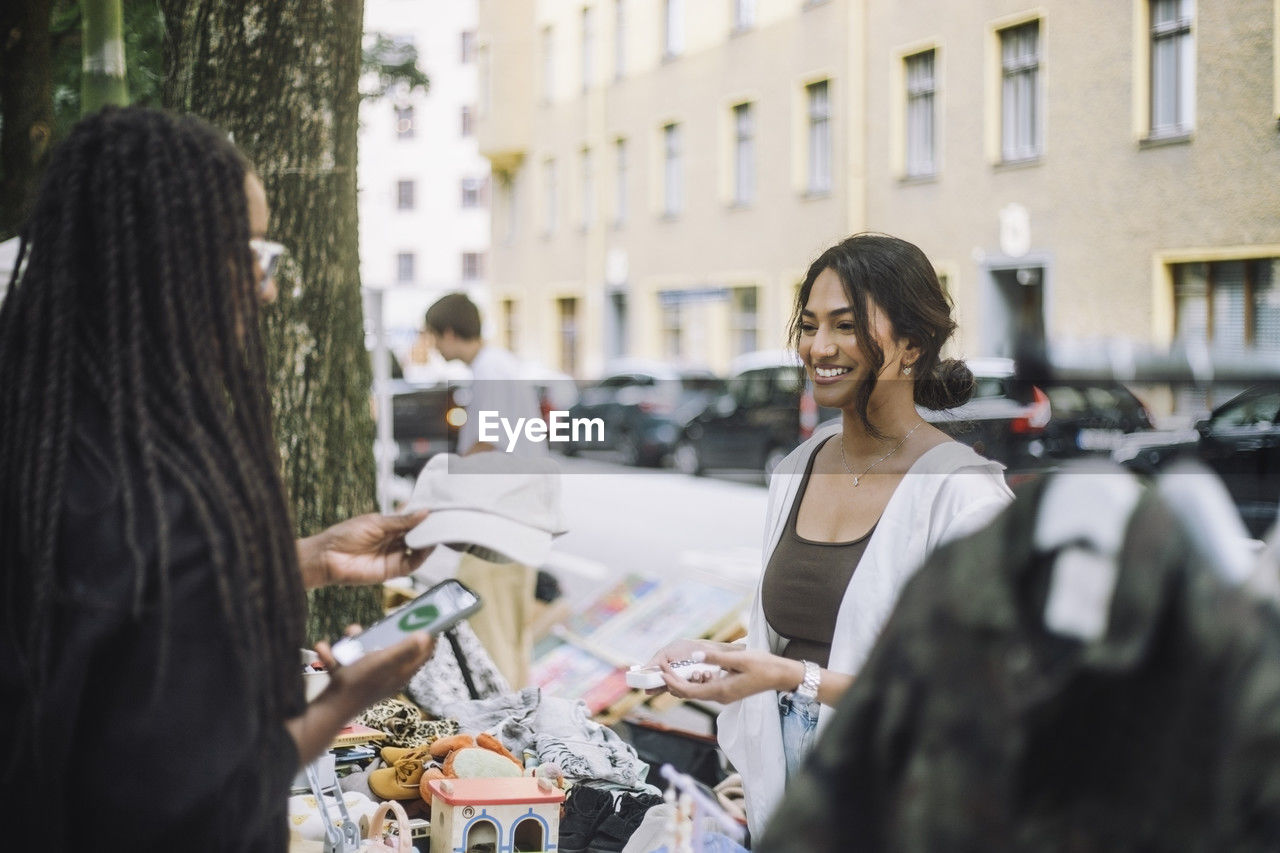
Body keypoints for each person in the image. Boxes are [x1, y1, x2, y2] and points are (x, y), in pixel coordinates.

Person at [0, 106, 439, 850]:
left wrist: (299, 560)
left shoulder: (43, 439)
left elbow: (104, 619)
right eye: (251, 250)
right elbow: (199, 806)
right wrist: (344, 700)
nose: (266, 288)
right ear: (166, 259)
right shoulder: (164, 501)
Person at [644, 233, 1015, 839]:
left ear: (912, 347)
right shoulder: (798, 467)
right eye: (809, 325)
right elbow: (800, 648)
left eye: (845, 326)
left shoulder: (963, 496)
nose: (820, 348)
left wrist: (792, 680)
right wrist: (727, 660)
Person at [423, 292, 547, 688]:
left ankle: (500, 724)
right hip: (519, 514)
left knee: (486, 625)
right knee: (508, 626)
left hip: (499, 518)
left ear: (448, 332)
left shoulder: (490, 368)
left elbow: (485, 442)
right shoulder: (501, 365)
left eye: (433, 336)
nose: (434, 346)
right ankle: (516, 719)